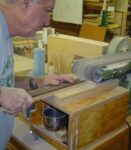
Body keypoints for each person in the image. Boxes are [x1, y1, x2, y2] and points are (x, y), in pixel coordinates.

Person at [0, 0, 75, 149]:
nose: (47, 22)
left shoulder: (6, 35)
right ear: (25, 3)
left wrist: (36, 82)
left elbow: (4, 81)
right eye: (47, 10)